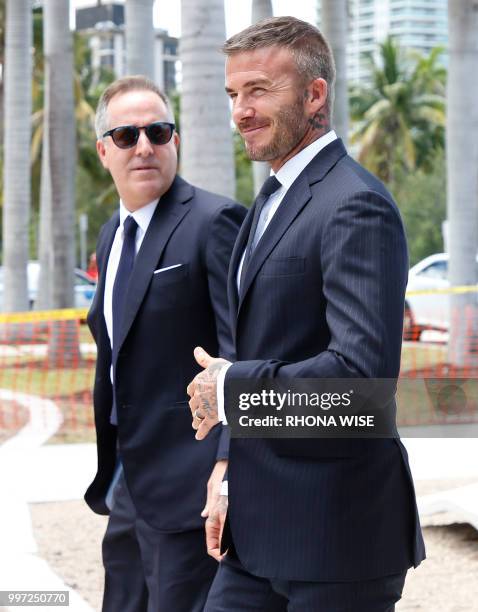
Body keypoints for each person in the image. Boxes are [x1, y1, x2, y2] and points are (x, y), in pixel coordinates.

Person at [187, 17, 425, 612]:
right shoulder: (269, 199)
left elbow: (361, 381)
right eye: (234, 94)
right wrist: (229, 470)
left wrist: (232, 389)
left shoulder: (355, 203)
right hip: (256, 531)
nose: (241, 110)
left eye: (260, 90)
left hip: (336, 536)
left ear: (315, 95)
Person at [84, 75, 246, 612]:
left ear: (175, 140)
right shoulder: (112, 234)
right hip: (128, 479)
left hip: (190, 483)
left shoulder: (214, 221)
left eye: (158, 131)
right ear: (104, 149)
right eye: (127, 136)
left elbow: (239, 354)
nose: (145, 146)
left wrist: (226, 467)